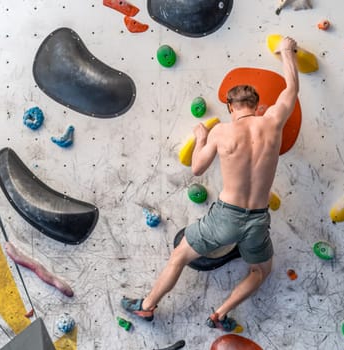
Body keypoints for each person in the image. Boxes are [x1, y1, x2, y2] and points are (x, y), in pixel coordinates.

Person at [121, 37, 300, 331]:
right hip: (257, 219)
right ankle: (220, 313)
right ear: (256, 106)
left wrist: (202, 136)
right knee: (260, 271)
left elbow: (197, 168)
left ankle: (146, 306)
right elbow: (291, 89)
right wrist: (287, 52)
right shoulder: (272, 122)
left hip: (225, 217)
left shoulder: (221, 133)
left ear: (230, 106)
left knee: (179, 256)